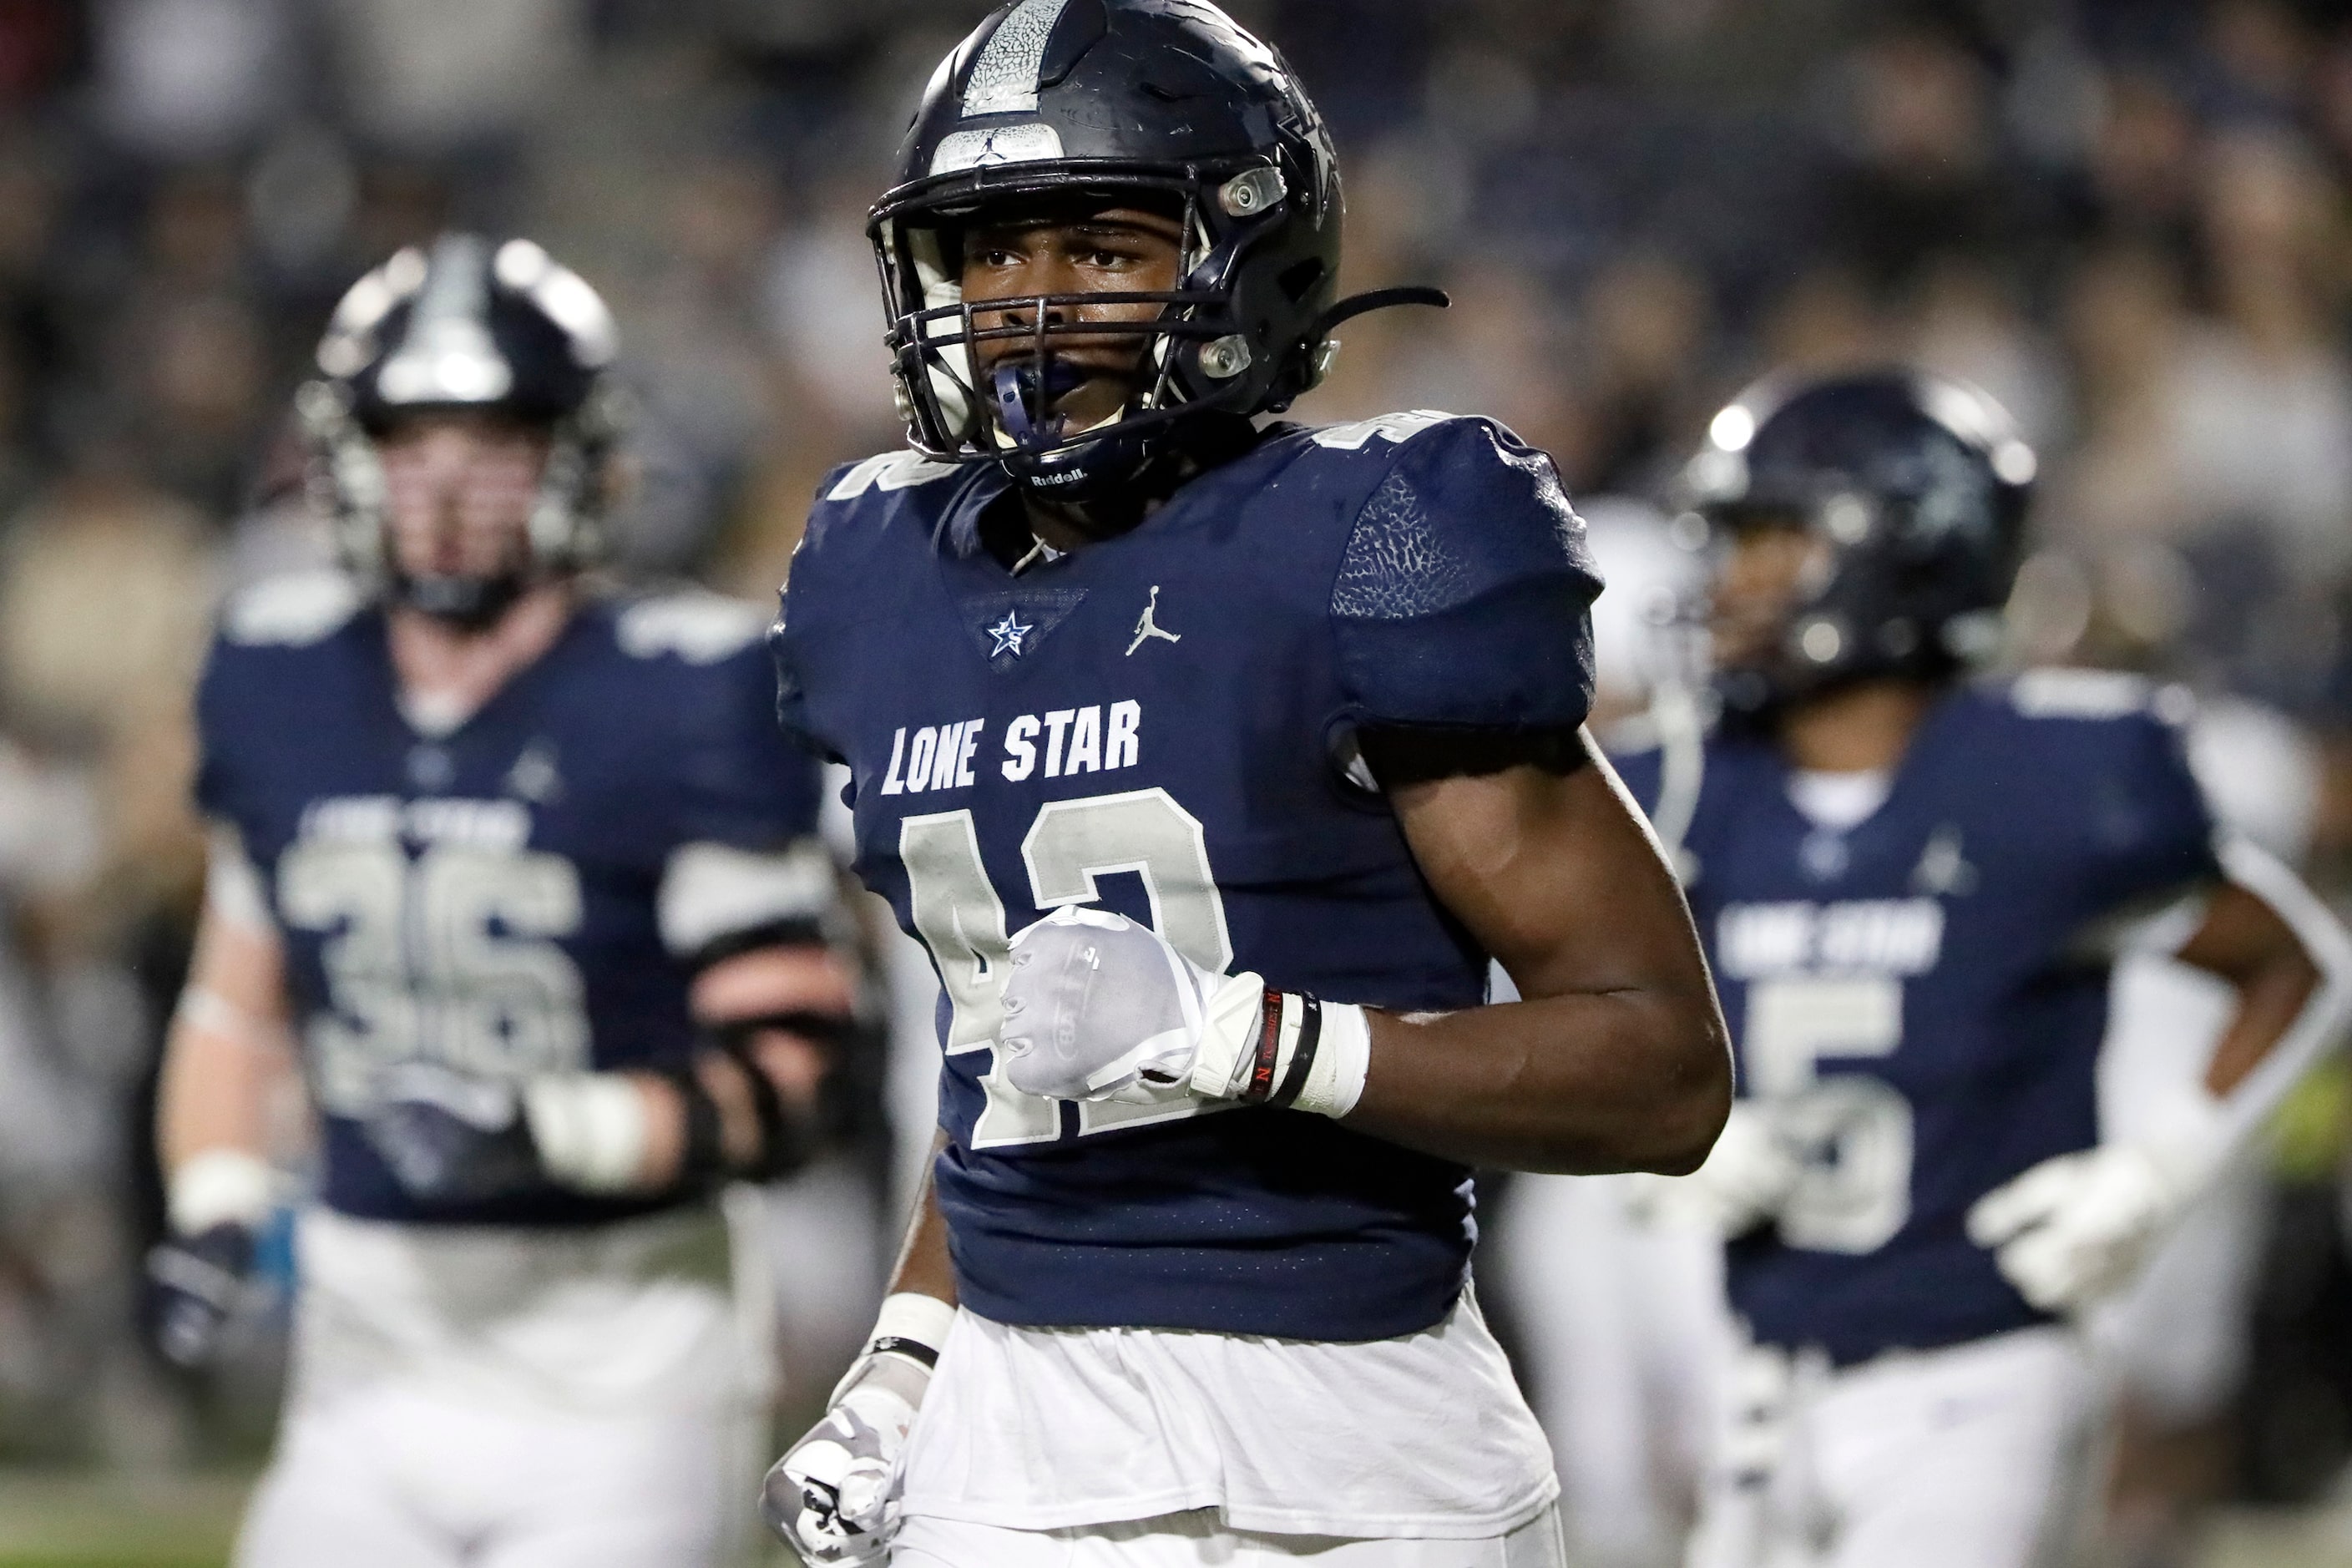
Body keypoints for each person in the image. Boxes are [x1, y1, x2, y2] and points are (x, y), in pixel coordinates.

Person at [761, 4, 1732, 1566]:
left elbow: (1661, 1069)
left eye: (1096, 246)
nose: (1026, 304)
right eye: (990, 253)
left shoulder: (1372, 537)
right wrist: (908, 1352)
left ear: (1239, 256)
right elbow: (1012, 1076)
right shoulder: (881, 574)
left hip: (1358, 1425)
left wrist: (1251, 1038)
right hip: (1014, 1428)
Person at [147, 233, 859, 1568]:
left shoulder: (682, 686)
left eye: (496, 437)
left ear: (581, 457)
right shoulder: (276, 672)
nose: (449, 483)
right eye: (410, 438)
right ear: (348, 454)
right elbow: (232, 1004)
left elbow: (799, 1068)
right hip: (361, 1370)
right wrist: (218, 1198)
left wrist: (553, 1129)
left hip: (622, 1374)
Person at [1621, 368, 2352, 1568]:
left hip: (1974, 1371)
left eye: (1768, 539)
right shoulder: (1686, 784)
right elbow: (1556, 1003)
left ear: (1892, 553)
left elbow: (2293, 965)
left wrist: (2158, 1172)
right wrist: (1650, 1147)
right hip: (1755, 1362)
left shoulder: (2047, 783)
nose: (1730, 579)